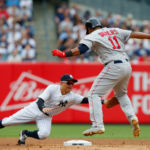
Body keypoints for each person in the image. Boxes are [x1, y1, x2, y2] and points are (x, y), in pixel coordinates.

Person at [52, 17, 150, 138]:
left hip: (113, 65)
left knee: (93, 94)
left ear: (89, 28)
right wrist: (149, 36)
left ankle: (98, 125)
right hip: (127, 65)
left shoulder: (93, 35)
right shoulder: (114, 30)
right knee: (122, 94)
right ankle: (132, 118)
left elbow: (81, 49)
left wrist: (64, 54)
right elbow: (134, 34)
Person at [0, 74, 91, 145]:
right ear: (61, 83)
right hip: (34, 109)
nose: (71, 85)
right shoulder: (52, 88)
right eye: (68, 82)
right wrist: (43, 108)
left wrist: (103, 102)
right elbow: (40, 101)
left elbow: (86, 100)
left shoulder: (73, 97)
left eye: (72, 83)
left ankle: (25, 134)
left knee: (44, 135)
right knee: (7, 122)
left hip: (46, 117)